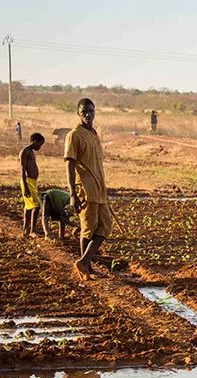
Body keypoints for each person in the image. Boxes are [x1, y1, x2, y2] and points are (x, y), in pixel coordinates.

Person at [65, 98, 112, 281]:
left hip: (99, 189)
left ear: (95, 112)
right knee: (88, 229)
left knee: (104, 227)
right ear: (78, 113)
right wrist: (72, 194)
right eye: (84, 111)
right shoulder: (74, 135)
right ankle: (86, 266)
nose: (88, 114)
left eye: (91, 111)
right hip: (85, 188)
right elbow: (69, 164)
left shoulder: (93, 133)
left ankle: (85, 263)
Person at [19, 133, 45, 237]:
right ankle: (32, 231)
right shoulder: (25, 152)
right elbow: (23, 169)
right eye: (40, 144)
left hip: (32, 182)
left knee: (28, 206)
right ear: (34, 141)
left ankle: (25, 230)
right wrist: (25, 186)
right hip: (28, 181)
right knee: (36, 206)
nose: (40, 147)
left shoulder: (31, 152)